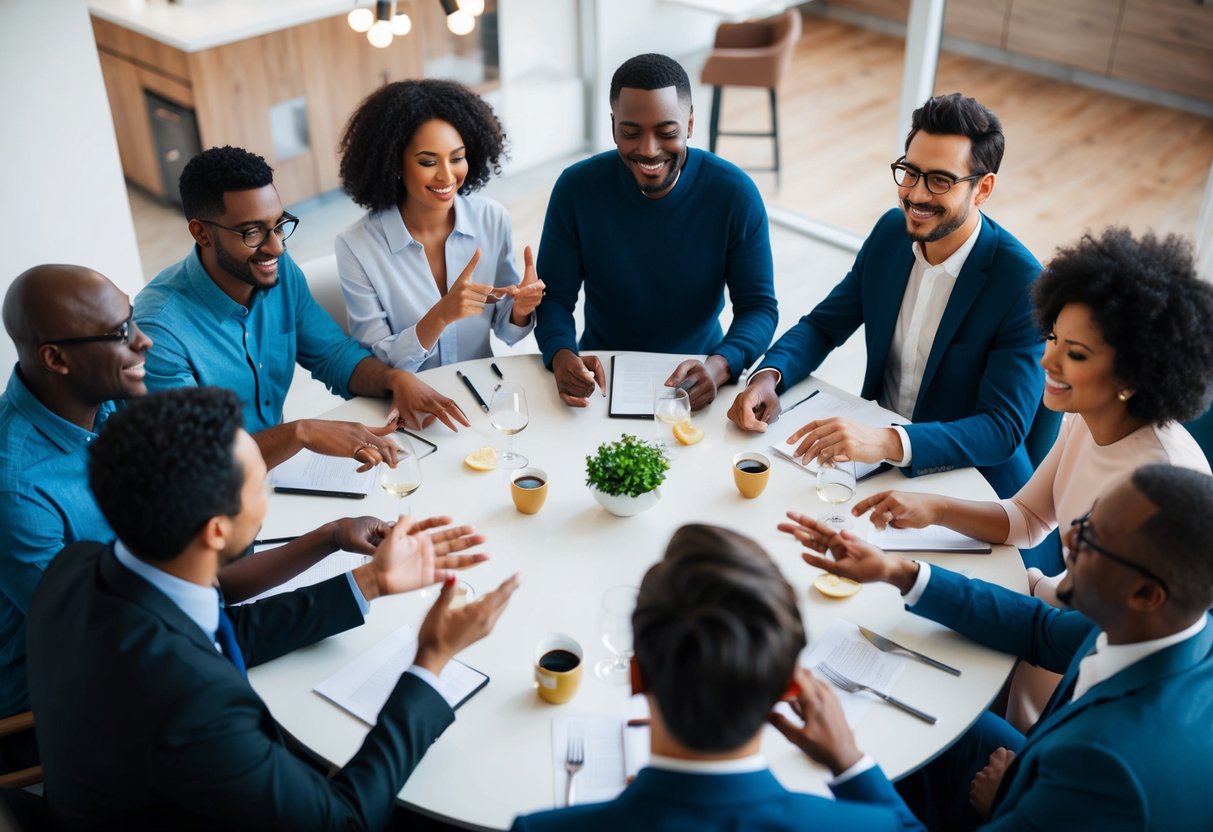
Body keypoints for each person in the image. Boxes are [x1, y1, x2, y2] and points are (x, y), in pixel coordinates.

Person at [0, 265, 473, 733]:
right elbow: (146, 642)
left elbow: (197, 584)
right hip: (87, 706)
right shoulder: (18, 492)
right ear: (57, 360)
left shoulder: (106, 397)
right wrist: (365, 585)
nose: (143, 341)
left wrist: (330, 536)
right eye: (120, 332)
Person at [27, 386, 521, 830]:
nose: (267, 494)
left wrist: (368, 580)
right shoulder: (197, 708)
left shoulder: (78, 567)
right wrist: (430, 661)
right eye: (258, 484)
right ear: (216, 531)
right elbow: (346, 820)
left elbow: (217, 628)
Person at [853, 228, 1213, 730]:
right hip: (1049, 607)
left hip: (1077, 659)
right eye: (1052, 339)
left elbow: (1096, 638)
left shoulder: (1160, 485)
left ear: (1134, 373)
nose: (1047, 361)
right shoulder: (1087, 418)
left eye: (1077, 354)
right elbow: (1027, 518)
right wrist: (933, 509)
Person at [778, 464, 1213, 831]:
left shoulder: (1106, 766)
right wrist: (900, 572)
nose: (1068, 541)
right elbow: (1041, 628)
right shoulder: (1166, 626)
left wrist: (847, 760)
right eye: (1084, 520)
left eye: (1092, 540)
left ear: (1145, 594)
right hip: (1035, 771)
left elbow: (1094, 768)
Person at [727, 93, 1045, 498]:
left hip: (974, 486)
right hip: (871, 467)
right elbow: (824, 327)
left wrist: (888, 442)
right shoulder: (890, 235)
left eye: (940, 180)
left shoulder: (1022, 284)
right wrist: (769, 377)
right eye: (910, 172)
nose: (915, 195)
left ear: (983, 189)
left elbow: (1002, 428)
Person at [511, 524, 922, 832]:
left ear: (635, 677)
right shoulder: (870, 827)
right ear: (790, 687)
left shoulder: (540, 830)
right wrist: (849, 761)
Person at [134, 145, 470, 472]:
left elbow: (331, 354)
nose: (276, 247)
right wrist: (302, 432)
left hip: (275, 471)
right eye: (252, 232)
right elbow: (198, 460)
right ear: (201, 233)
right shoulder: (158, 329)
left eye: (278, 225)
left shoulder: (276, 270)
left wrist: (394, 379)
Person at [534, 53, 777, 411]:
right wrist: (561, 353)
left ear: (690, 124)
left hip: (701, 371)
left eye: (667, 132)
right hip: (600, 376)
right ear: (613, 124)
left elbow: (758, 307)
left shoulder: (734, 194)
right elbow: (554, 297)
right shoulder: (576, 189)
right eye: (630, 133)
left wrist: (720, 365)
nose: (648, 151)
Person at [336, 79, 544, 372]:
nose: (447, 176)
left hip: (482, 393)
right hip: (411, 403)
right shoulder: (357, 246)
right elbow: (376, 365)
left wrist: (521, 310)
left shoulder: (492, 219)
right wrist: (441, 315)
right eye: (427, 162)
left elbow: (507, 330)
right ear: (395, 163)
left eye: (457, 158)